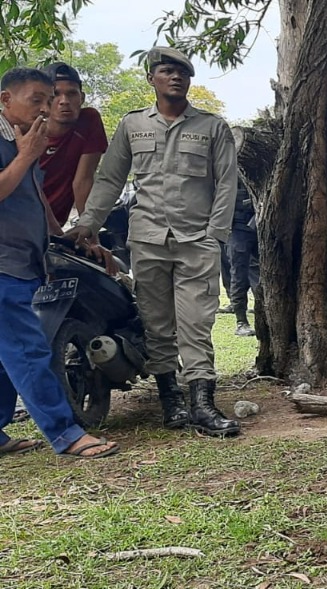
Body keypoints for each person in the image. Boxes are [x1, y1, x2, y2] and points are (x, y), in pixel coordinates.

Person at [69, 47, 240, 437]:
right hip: (147, 240)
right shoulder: (132, 126)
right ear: (152, 79)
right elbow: (111, 178)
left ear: (190, 80)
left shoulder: (212, 127)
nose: (175, 77)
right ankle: (171, 403)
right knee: (157, 325)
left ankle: (202, 403)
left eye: (182, 71)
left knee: (196, 323)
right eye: (166, 71)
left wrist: (215, 236)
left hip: (196, 240)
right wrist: (89, 222)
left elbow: (226, 184)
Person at [0, 66, 120, 459]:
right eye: (37, 100)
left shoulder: (21, 137)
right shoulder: (22, 144)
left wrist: (57, 240)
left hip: (24, 259)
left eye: (47, 101)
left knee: (5, 358)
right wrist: (27, 157)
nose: (47, 108)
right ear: (5, 100)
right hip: (3, 265)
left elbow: (35, 196)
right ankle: (65, 433)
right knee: (28, 348)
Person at [37, 62, 108, 228]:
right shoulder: (29, 130)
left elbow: (83, 181)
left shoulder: (88, 121)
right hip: (18, 226)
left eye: (71, 94)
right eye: (55, 95)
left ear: (81, 98)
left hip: (54, 230)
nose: (64, 101)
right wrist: (55, 232)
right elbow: (30, 188)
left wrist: (89, 230)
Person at [226, 132, 260, 337]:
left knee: (264, 275)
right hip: (237, 229)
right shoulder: (227, 171)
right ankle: (241, 321)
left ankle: (265, 316)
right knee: (238, 275)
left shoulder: (256, 171)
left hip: (258, 228)